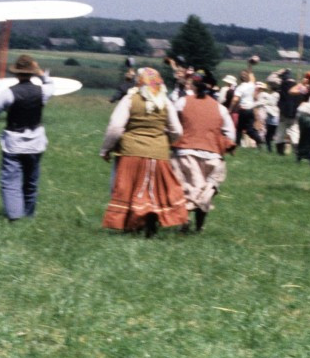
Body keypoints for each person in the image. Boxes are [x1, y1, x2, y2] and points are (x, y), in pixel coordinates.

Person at [101, 67, 189, 236]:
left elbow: (115, 128)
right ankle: (150, 224)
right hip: (159, 154)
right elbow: (177, 131)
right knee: (154, 190)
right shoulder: (165, 102)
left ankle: (131, 225)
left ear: (139, 81)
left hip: (131, 152)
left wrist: (106, 149)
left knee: (129, 188)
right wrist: (165, 142)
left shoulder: (130, 99)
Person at [0, 54, 54, 221]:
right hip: (36, 142)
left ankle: (15, 217)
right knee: (31, 181)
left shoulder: (9, 93)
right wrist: (41, 74)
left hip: (13, 143)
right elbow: (51, 85)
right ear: (32, 73)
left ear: (16, 73)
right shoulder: (42, 92)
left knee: (10, 182)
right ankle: (28, 215)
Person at [170, 70, 235, 232]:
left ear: (193, 85)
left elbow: (172, 125)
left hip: (185, 153)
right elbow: (231, 134)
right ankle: (199, 227)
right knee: (205, 191)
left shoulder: (182, 102)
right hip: (213, 156)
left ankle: (184, 221)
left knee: (185, 188)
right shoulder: (220, 108)